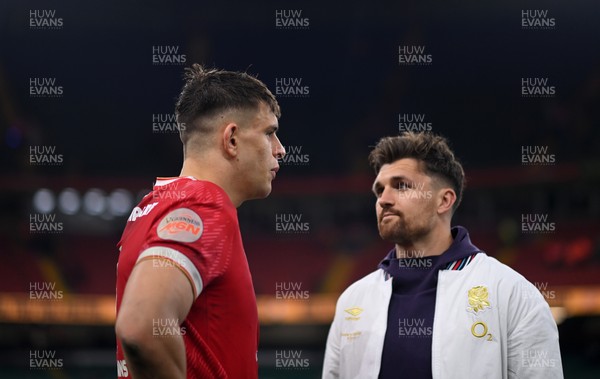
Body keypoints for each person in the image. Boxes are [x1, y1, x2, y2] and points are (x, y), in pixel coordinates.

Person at [323, 132, 563, 379]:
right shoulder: (352, 301)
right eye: (379, 190)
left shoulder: (512, 294)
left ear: (444, 200)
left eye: (401, 185)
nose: (383, 200)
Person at [115, 64, 285, 378]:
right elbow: (141, 325)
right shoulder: (205, 205)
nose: (281, 150)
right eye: (270, 133)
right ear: (232, 139)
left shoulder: (150, 207)